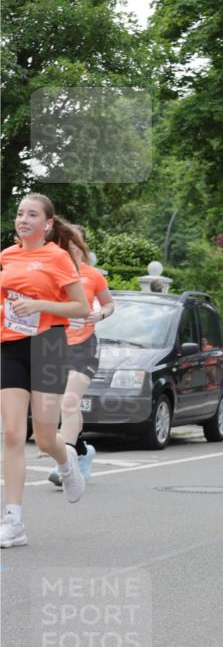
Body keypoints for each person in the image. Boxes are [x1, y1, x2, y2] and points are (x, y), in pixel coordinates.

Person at [1, 194, 89, 548]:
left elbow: (81, 307)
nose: (23, 219)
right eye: (20, 214)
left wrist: (39, 303)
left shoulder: (58, 258)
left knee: (45, 435)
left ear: (48, 224)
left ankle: (67, 462)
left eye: (32, 214)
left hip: (49, 346)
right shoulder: (6, 256)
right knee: (10, 433)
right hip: (10, 346)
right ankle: (14, 520)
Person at [48, 226, 114, 487]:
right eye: (66, 242)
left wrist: (101, 314)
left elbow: (109, 303)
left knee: (69, 402)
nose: (71, 246)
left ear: (83, 245)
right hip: (55, 347)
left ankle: (64, 461)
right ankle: (84, 451)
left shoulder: (93, 276)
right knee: (58, 407)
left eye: (76, 242)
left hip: (84, 346)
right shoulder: (52, 274)